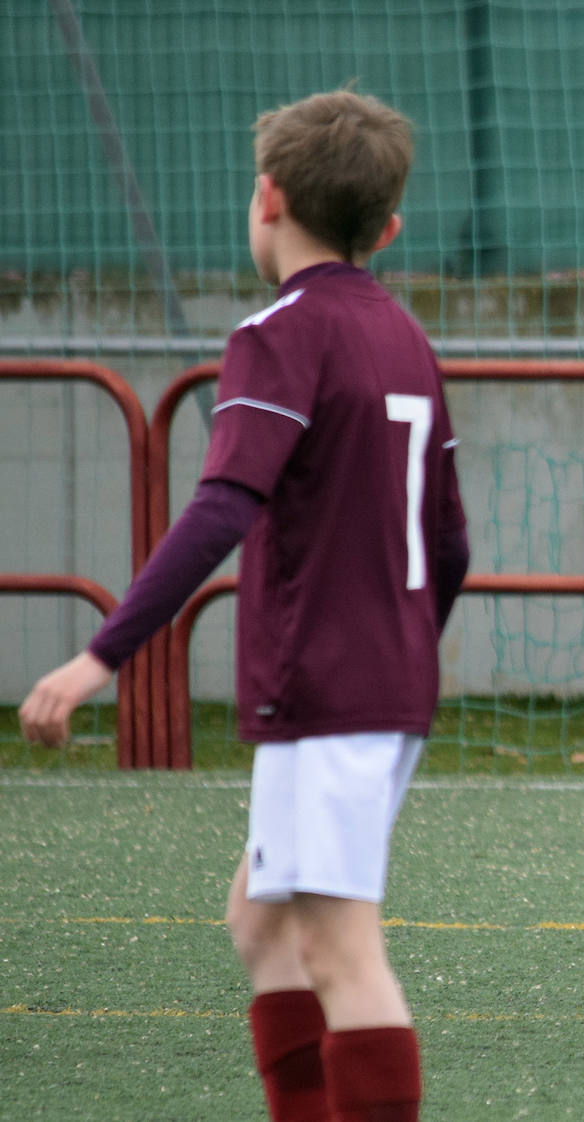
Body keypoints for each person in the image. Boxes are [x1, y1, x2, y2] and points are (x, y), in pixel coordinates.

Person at [19, 89, 468, 1118]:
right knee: (262, 926)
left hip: (330, 691)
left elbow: (224, 505)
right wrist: (403, 657)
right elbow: (452, 544)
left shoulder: (281, 332)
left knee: (341, 952)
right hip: (378, 686)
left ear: (267, 196)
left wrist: (101, 656)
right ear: (387, 228)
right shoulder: (402, 334)